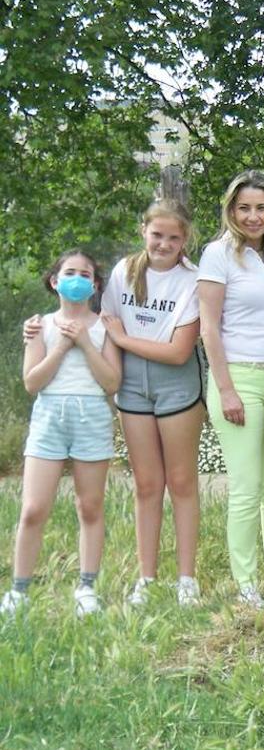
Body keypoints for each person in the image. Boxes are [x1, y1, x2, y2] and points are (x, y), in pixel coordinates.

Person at [2, 250, 121, 617]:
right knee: (34, 508)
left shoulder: (106, 326)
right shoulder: (39, 325)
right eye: (70, 272)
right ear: (55, 281)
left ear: (95, 285)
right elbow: (32, 382)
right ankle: (19, 590)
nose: (77, 278)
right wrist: (63, 345)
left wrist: (85, 342)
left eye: (86, 274)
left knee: (89, 506)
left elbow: (111, 381)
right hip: (49, 417)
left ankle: (86, 587)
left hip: (91, 417)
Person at [199, 170, 264, 607]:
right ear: (231, 211)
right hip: (237, 377)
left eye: (260, 208)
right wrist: (226, 389)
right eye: (244, 208)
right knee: (245, 486)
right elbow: (209, 327)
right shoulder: (217, 255)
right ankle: (246, 581)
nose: (253, 216)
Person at [105, 200, 205, 607]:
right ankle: (146, 577)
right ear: (143, 230)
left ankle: (186, 579)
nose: (164, 243)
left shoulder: (194, 280)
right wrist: (114, 379)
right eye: (157, 234)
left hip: (176, 384)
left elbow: (179, 351)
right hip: (131, 384)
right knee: (147, 485)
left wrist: (126, 340)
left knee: (181, 482)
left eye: (174, 237)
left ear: (185, 240)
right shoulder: (123, 272)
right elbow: (106, 329)